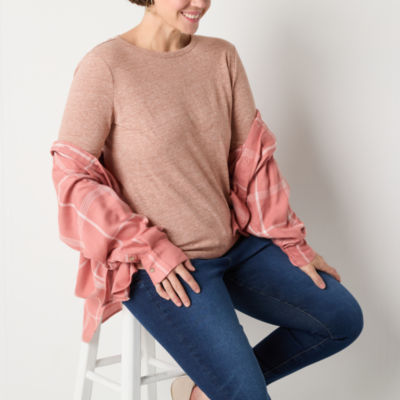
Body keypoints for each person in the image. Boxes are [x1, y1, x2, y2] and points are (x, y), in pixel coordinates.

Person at [56, 1, 364, 399]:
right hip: (164, 267)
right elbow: (74, 178)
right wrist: (148, 248)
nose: (200, 3)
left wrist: (293, 244)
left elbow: (252, 162)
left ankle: (200, 392)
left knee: (341, 318)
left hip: (234, 247)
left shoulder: (222, 57)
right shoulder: (106, 66)